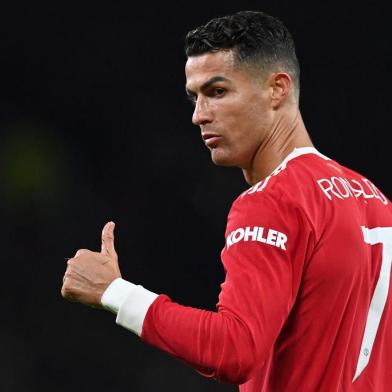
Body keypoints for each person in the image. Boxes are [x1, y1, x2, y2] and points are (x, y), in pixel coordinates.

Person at [61, 11, 392, 391]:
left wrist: (114, 292)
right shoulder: (376, 200)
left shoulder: (273, 201)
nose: (199, 116)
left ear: (278, 88)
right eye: (194, 97)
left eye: (217, 92)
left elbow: (235, 350)